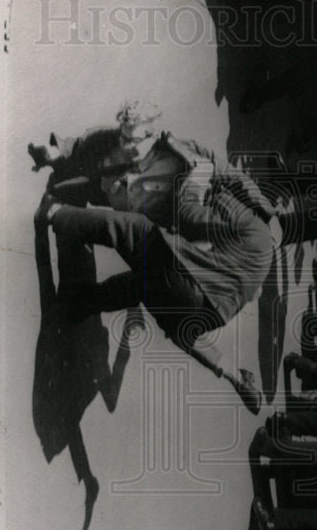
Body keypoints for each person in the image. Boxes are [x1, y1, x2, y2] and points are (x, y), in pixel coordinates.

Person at [34, 160, 279, 412]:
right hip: (207, 315)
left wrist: (195, 181)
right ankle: (77, 305)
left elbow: (189, 216)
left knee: (137, 231)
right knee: (146, 285)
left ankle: (55, 214)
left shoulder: (251, 221)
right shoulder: (263, 256)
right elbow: (252, 294)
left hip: (191, 290)